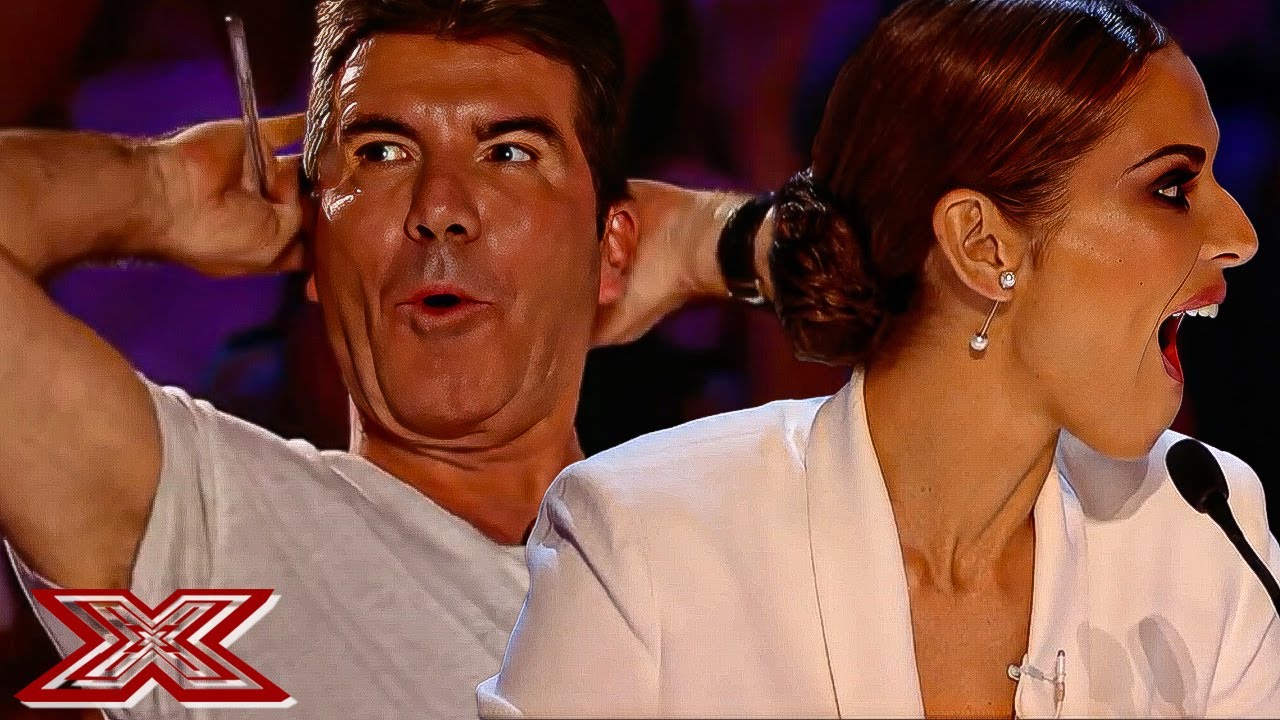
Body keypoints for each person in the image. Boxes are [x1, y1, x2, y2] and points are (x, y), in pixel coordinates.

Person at [478, 0, 1280, 717]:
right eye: (1172, 187)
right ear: (982, 243)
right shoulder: (647, 541)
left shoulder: (1203, 530)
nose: (1240, 236)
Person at [0, 0, 749, 718]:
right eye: (383, 153)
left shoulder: (734, 572)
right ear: (314, 241)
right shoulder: (205, 532)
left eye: (509, 153)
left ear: (611, 249)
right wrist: (159, 191)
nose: (440, 208)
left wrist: (721, 240)